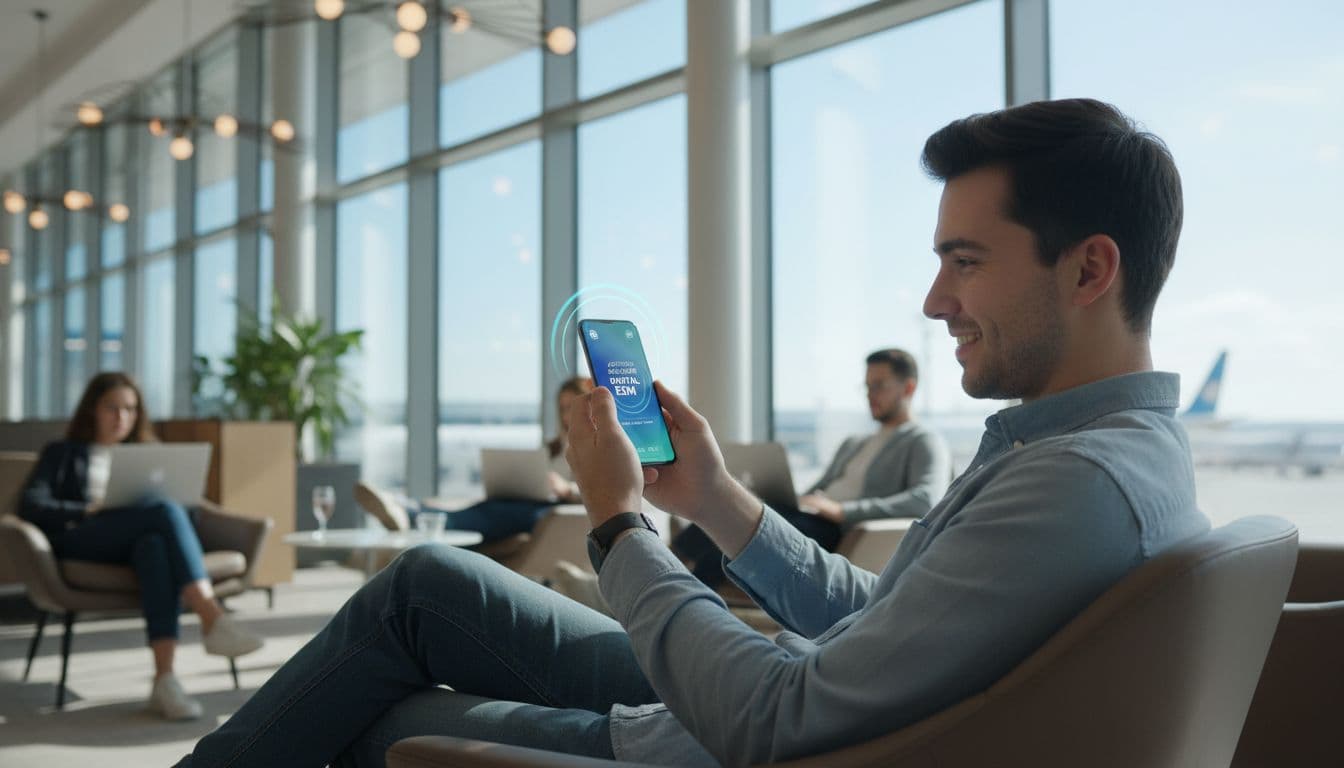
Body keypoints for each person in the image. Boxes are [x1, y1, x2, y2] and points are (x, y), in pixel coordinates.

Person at [176, 98, 1209, 768]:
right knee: (430, 584)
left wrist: (618, 523)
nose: (935, 300)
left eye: (967, 260)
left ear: (1088, 270)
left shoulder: (1074, 485)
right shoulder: (1092, 455)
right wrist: (713, 497)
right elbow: (883, 620)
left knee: (371, 724)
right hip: (743, 705)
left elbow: (783, 719)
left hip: (726, 734)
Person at [20, 372, 264, 721]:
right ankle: (211, 616)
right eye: (112, 408)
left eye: (130, 409)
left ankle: (165, 681)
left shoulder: (149, 456)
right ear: (93, 410)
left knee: (154, 545)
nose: (121, 417)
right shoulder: (62, 453)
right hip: (83, 536)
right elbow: (32, 504)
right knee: (163, 511)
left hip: (137, 541)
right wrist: (87, 509)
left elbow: (185, 514)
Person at [672, 347, 950, 586]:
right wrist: (799, 498)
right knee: (735, 511)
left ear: (909, 388)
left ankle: (682, 584)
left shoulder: (923, 440)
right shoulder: (856, 442)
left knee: (744, 529)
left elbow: (925, 500)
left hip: (840, 530)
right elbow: (822, 485)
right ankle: (675, 566)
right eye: (866, 386)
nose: (870, 394)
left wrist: (842, 511)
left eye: (879, 386)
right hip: (812, 517)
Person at [362, 376, 595, 545]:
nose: (566, 415)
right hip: (528, 504)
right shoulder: (553, 447)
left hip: (557, 514)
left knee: (494, 513)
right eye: (563, 408)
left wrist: (567, 489)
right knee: (488, 508)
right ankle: (408, 508)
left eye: (571, 407)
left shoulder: (595, 446)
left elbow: (601, 492)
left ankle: (410, 512)